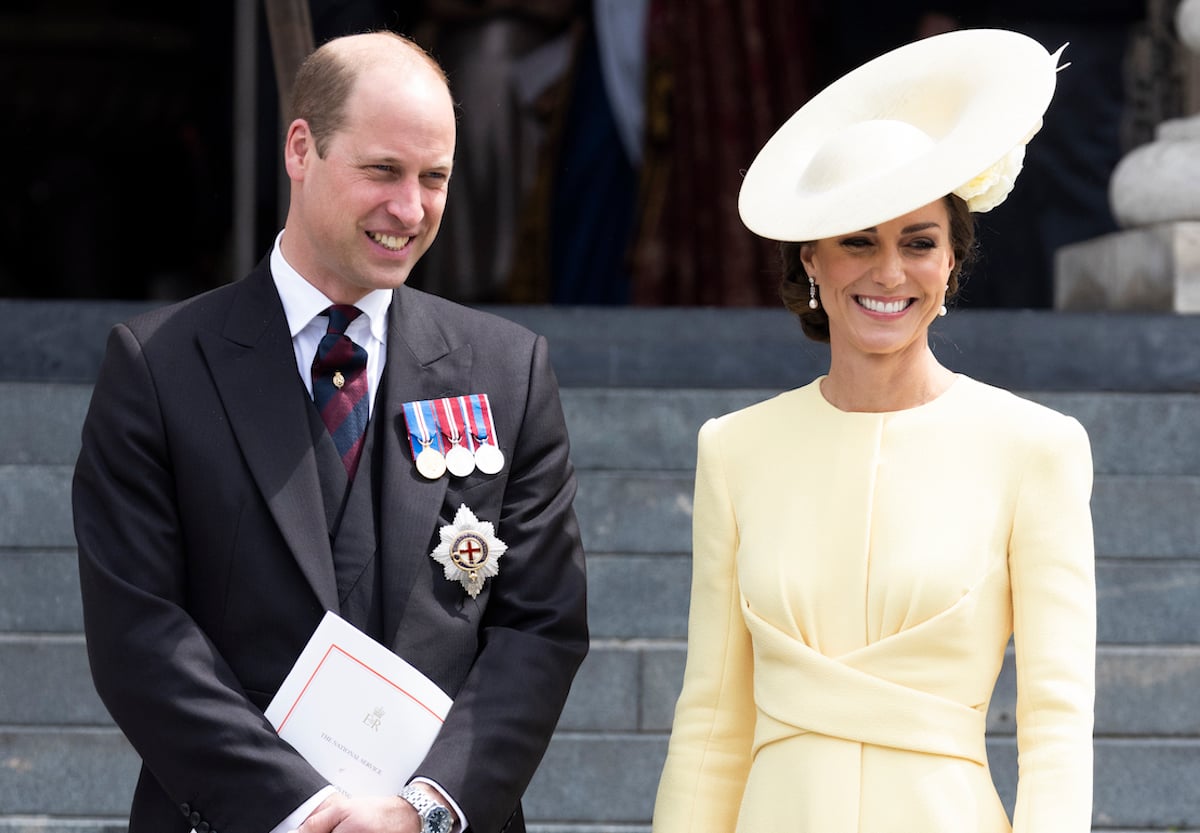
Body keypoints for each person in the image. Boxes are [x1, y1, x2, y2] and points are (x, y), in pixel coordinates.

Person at [72, 31, 588, 833]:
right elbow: (139, 631)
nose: (410, 209)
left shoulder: (507, 370)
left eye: (435, 178)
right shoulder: (158, 367)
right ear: (301, 148)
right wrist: (303, 809)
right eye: (383, 170)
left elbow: (541, 624)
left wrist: (426, 806)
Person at [651, 29, 1095, 833]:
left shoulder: (1036, 448)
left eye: (918, 243)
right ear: (811, 261)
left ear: (952, 262)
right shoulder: (735, 447)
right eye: (858, 240)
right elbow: (712, 720)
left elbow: (1057, 726)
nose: (889, 272)